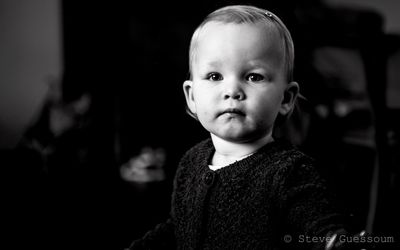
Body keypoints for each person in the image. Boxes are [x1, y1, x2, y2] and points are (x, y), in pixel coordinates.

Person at [126, 5, 352, 250]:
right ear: (192, 96)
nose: (232, 91)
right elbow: (179, 227)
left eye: (254, 77)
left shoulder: (290, 172)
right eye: (214, 76)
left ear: (286, 99)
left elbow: (321, 229)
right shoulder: (191, 162)